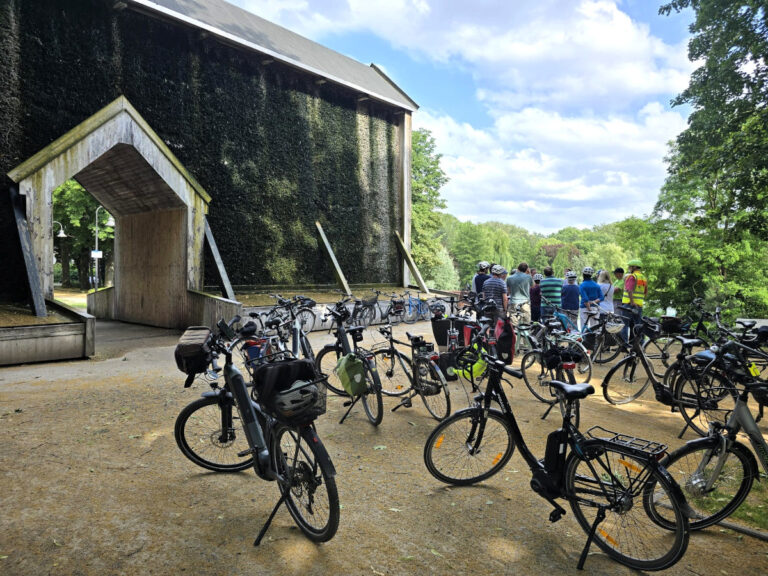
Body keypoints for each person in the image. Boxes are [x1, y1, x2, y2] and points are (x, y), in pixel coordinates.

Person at [620, 259, 647, 342]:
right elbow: (645, 292)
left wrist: (632, 302)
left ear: (634, 267)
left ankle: (624, 344)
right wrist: (638, 302)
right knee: (638, 325)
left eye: (630, 266)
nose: (629, 268)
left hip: (629, 305)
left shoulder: (632, 276)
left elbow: (629, 290)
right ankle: (641, 344)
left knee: (624, 324)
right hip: (639, 305)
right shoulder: (643, 278)